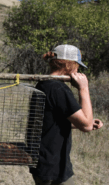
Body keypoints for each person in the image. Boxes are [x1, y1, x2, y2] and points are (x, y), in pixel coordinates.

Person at [29, 44, 103, 185]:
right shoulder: (59, 89)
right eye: (77, 65)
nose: (78, 69)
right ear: (69, 65)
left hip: (42, 160)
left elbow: (50, 122)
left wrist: (82, 122)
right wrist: (84, 89)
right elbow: (86, 126)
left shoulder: (43, 84)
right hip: (53, 166)